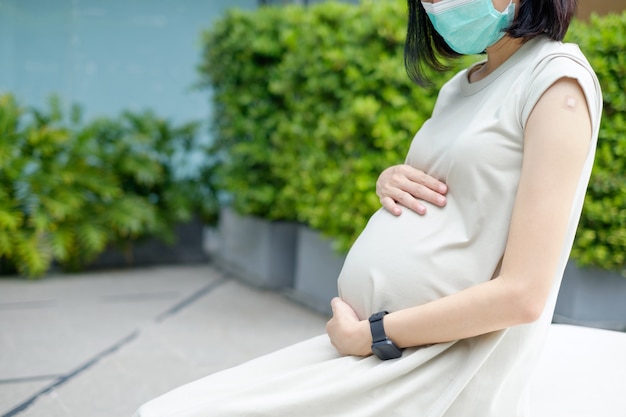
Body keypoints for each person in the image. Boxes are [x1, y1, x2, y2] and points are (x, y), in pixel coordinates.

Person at [135, 0, 602, 415]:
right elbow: (461, 193)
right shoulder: (461, 86)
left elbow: (523, 294)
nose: (439, 5)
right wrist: (392, 178)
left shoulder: (556, 81)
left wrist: (375, 333)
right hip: (386, 353)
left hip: (433, 365)